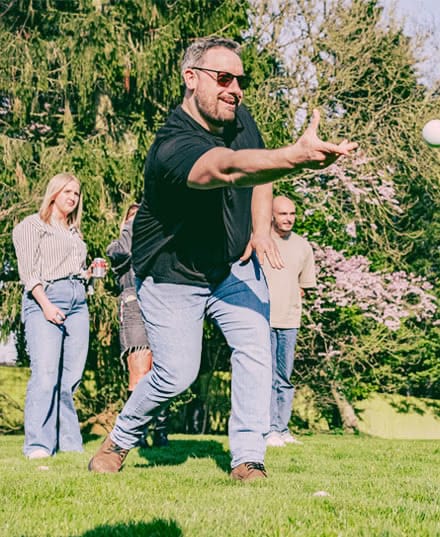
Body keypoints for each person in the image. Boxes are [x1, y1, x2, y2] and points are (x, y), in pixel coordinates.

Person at [88, 36, 357, 479]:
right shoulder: (172, 146)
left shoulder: (238, 118)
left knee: (256, 350)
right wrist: (295, 157)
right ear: (191, 78)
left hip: (231, 268)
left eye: (240, 81)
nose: (235, 90)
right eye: (224, 78)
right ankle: (120, 438)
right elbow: (227, 168)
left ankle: (248, 458)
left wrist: (260, 228)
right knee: (176, 375)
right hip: (172, 275)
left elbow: (260, 171)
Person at [12, 172, 94, 459]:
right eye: (67, 191)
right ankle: (38, 445)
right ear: (54, 193)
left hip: (78, 301)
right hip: (45, 298)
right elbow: (28, 272)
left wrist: (87, 275)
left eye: (77, 193)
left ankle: (69, 444)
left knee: (70, 378)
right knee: (46, 375)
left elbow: (69, 268)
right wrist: (46, 305)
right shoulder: (31, 226)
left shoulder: (74, 232)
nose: (73, 197)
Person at [106, 203, 169, 448]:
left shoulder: (157, 243)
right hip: (134, 303)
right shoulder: (119, 247)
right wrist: (132, 227)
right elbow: (119, 253)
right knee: (139, 368)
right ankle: (137, 432)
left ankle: (161, 430)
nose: (138, 221)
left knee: (162, 369)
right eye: (132, 218)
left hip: (160, 303)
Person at [262, 196, 316, 447]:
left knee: (284, 377)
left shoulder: (303, 246)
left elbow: (304, 285)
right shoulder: (260, 241)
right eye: (283, 214)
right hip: (263, 319)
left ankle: (282, 428)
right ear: (272, 215)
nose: (289, 218)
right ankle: (268, 429)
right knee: (266, 376)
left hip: (289, 321)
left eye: (292, 214)